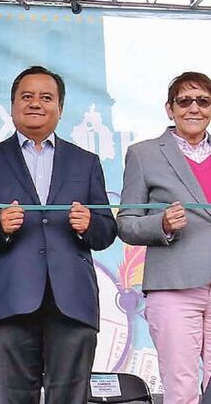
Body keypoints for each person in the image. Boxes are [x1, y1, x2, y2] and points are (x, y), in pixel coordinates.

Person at [0, 65, 117, 403]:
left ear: (60, 108)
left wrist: (90, 224)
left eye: (46, 97)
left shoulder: (85, 162)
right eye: (26, 96)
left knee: (71, 397)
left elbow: (106, 231)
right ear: (12, 105)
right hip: (9, 301)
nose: (35, 103)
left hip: (72, 301)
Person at [119, 71, 211, 404]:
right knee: (182, 387)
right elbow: (126, 224)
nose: (194, 108)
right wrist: (162, 224)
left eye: (203, 100)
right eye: (184, 101)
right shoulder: (144, 154)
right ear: (169, 109)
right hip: (174, 286)